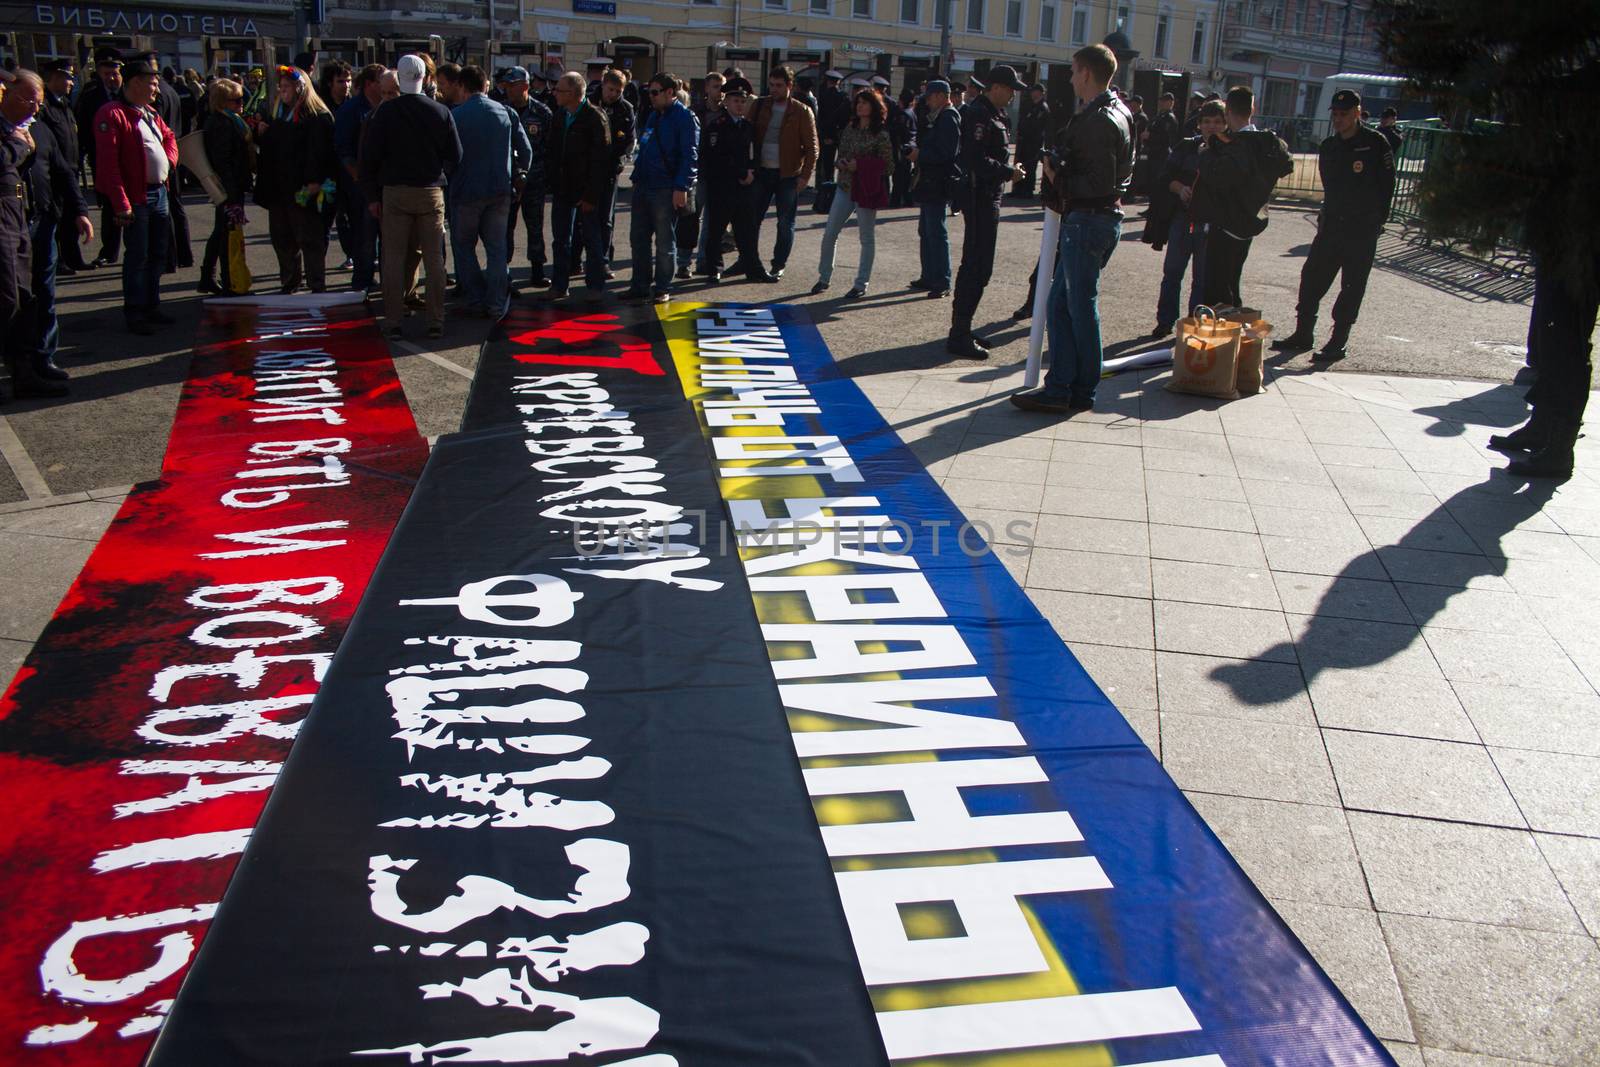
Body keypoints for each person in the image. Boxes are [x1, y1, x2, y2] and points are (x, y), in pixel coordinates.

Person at [1009, 45, 1133, 413]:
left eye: (1073, 70)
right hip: (1098, 218)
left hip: (1088, 219)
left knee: (1078, 306)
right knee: (1062, 304)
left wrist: (1054, 173)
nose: (1069, 77)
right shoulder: (1119, 111)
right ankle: (1065, 386)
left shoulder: (1098, 119)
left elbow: (1096, 182)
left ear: (1086, 74)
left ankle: (1075, 389)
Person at [1271, 88, 1395, 364]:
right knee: (1311, 277)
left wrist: (1377, 220)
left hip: (1361, 228)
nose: (1339, 119)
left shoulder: (1375, 143)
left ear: (1357, 113)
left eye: (1345, 114)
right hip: (1332, 226)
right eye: (1336, 114)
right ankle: (1303, 333)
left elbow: (1387, 184)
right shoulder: (1329, 146)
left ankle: (1339, 339)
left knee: (1351, 285)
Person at [360, 53, 461, 340]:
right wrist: (440, 172)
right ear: (425, 78)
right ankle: (435, 320)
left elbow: (369, 159)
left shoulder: (384, 113)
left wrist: (372, 195)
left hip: (394, 192)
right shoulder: (440, 111)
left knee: (392, 258)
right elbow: (456, 155)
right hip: (430, 190)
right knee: (434, 259)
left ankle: (392, 321)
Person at [6, 68, 86, 398]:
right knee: (12, 299)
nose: (35, 108)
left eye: (38, 102)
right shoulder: (7, 135)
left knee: (42, 294)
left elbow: (63, 170)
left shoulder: (41, 127)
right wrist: (16, 147)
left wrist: (80, 210)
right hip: (10, 224)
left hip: (42, 220)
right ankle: (19, 367)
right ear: (8, 97)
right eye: (28, 100)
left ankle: (43, 358)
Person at [947, 65, 1027, 359]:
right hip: (978, 196)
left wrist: (1006, 172)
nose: (1013, 96)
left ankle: (963, 328)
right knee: (976, 266)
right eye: (1010, 90)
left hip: (989, 197)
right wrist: (1008, 172)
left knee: (981, 267)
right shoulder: (979, 114)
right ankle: (958, 334)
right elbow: (974, 159)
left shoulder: (995, 113)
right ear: (995, 87)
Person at [93, 57, 177, 337]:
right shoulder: (112, 114)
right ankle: (135, 311)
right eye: (153, 83)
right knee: (138, 256)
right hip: (136, 197)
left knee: (157, 254)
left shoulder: (150, 112)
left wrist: (169, 162)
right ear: (136, 82)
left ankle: (152, 305)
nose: (156, 89)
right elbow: (108, 165)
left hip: (159, 193)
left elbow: (170, 138)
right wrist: (121, 203)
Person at [1191, 84, 1292, 309]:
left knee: (1217, 289)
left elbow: (1219, 178)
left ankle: (1222, 338)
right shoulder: (1269, 143)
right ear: (1252, 109)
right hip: (1251, 219)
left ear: (1227, 112)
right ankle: (1233, 331)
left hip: (1227, 221)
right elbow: (1286, 165)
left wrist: (1205, 156)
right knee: (1232, 282)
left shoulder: (1237, 146)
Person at [448, 65, 531, 317]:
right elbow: (525, 150)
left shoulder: (455, 116)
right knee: (496, 249)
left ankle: (475, 299)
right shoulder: (505, 112)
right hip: (499, 189)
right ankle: (496, 303)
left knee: (464, 246)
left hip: (465, 191)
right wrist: (520, 175)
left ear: (462, 87)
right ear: (485, 85)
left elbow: (446, 156)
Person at [1144, 98, 1224, 337]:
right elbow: (1164, 177)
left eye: (1218, 122)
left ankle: (1195, 325)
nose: (1212, 127)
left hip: (1212, 223)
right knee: (1172, 274)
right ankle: (1165, 321)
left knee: (1202, 280)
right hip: (1182, 219)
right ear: (1199, 124)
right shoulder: (1186, 146)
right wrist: (1180, 188)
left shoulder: (1231, 151)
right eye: (1207, 121)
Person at [254, 65, 336, 294]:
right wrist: (262, 133)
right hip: (279, 189)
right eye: (280, 87)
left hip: (304, 188)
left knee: (309, 238)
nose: (282, 91)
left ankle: (316, 284)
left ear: (300, 87)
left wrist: (314, 181)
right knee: (282, 238)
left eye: (286, 86)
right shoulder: (279, 115)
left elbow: (319, 153)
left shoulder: (317, 117)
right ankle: (290, 281)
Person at [813, 88, 893, 299]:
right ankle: (824, 277)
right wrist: (841, 163)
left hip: (866, 189)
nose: (860, 106)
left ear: (874, 107)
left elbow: (889, 166)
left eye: (865, 102)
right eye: (858, 102)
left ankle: (861, 283)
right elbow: (841, 154)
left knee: (866, 237)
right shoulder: (850, 128)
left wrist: (862, 165)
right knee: (830, 232)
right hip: (845, 186)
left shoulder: (881, 133)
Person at [625, 72, 697, 305]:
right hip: (645, 184)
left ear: (670, 92)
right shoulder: (655, 116)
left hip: (666, 188)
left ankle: (663, 287)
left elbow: (690, 155)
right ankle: (640, 285)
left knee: (665, 241)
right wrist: (636, 177)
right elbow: (644, 148)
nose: (651, 97)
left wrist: (681, 187)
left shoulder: (685, 118)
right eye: (649, 93)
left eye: (655, 93)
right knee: (639, 239)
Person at [544, 72, 611, 298]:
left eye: (559, 90)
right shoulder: (560, 116)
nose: (554, 93)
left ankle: (595, 286)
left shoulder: (595, 118)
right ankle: (559, 285)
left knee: (592, 239)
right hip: (563, 188)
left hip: (585, 190)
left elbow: (601, 161)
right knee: (561, 240)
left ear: (572, 93)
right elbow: (552, 151)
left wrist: (591, 195)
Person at [747, 66, 817, 282]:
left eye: (779, 85)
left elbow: (812, 147)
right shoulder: (759, 105)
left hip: (788, 174)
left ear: (789, 86)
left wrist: (805, 176)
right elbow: (746, 136)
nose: (774, 89)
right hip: (762, 172)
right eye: (771, 85)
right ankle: (749, 261)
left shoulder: (802, 111)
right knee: (751, 220)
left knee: (785, 222)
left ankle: (778, 264)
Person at [133, 51, 191, 270]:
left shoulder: (156, 100)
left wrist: (167, 160)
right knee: (176, 208)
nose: (154, 88)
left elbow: (166, 134)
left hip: (163, 168)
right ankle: (182, 255)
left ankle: (171, 257)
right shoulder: (172, 91)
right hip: (169, 163)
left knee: (166, 216)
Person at [197, 78, 254, 296]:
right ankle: (228, 281)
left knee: (222, 230)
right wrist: (230, 193)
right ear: (222, 102)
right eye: (236, 100)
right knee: (227, 233)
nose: (242, 103)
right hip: (228, 186)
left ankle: (209, 277)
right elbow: (223, 161)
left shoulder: (229, 119)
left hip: (231, 184)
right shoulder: (222, 123)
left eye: (242, 98)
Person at [699, 76, 758, 284]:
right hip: (722, 186)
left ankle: (752, 266)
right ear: (726, 102)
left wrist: (750, 172)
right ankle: (714, 267)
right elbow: (718, 158)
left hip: (743, 188)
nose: (740, 105)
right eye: (735, 101)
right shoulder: (718, 126)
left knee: (744, 230)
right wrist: (742, 174)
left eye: (742, 101)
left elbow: (752, 154)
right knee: (716, 230)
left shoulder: (747, 126)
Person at [499, 66, 552, 289]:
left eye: (513, 86)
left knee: (535, 225)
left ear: (525, 86)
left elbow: (550, 147)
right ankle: (503, 271)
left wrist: (546, 179)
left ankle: (537, 270)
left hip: (534, 180)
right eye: (507, 86)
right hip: (508, 179)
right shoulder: (501, 111)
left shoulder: (542, 112)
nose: (509, 90)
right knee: (505, 227)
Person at [335, 64, 385, 292]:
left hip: (386, 183)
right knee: (364, 235)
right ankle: (362, 282)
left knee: (388, 237)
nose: (385, 85)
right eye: (380, 81)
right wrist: (357, 178)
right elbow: (343, 148)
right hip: (361, 184)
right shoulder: (352, 110)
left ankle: (389, 281)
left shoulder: (388, 105)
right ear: (368, 84)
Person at [910, 79, 959, 300]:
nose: (927, 102)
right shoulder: (940, 116)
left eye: (930, 97)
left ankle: (942, 280)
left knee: (936, 233)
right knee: (926, 231)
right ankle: (929, 275)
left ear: (940, 96)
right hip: (930, 181)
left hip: (938, 182)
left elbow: (947, 154)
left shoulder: (948, 117)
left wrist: (920, 155)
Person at [38, 60, 88, 275]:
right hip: (54, 173)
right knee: (56, 217)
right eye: (68, 77)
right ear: (55, 78)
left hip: (70, 168)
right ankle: (59, 261)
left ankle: (73, 257)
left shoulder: (64, 104)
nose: (71, 82)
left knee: (71, 217)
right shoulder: (45, 107)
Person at [77, 50, 123, 268]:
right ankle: (109, 251)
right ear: (99, 75)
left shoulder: (128, 94)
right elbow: (84, 127)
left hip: (129, 160)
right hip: (103, 159)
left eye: (115, 73)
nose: (112, 78)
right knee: (110, 207)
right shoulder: (91, 96)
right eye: (107, 74)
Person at [1144, 91, 1180, 205]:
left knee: (1157, 180)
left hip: (1161, 153)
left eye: (1164, 101)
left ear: (1170, 102)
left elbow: (1167, 138)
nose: (1161, 103)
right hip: (1153, 152)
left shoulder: (1169, 118)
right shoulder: (1159, 116)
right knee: (1151, 180)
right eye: (1161, 101)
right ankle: (1152, 204)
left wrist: (1151, 136)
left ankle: (1156, 204)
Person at [1014, 83, 1049, 198]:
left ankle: (1028, 190)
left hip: (1033, 142)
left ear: (1040, 93)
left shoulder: (1042, 107)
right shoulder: (1032, 106)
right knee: (1022, 163)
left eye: (1034, 91)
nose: (1032, 93)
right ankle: (1019, 189)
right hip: (1025, 141)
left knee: (1030, 166)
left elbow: (1037, 126)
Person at [815, 69, 847, 186]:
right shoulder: (843, 96)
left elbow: (823, 117)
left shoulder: (824, 95)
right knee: (842, 160)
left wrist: (826, 135)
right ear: (838, 82)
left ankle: (828, 185)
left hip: (828, 133)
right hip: (841, 133)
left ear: (828, 81)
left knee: (827, 162)